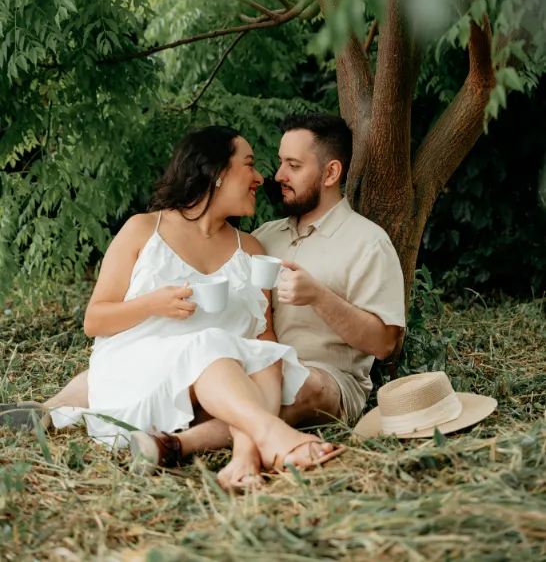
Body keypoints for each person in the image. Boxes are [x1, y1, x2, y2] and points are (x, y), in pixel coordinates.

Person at [4, 113, 405, 486]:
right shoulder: (266, 234)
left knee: (244, 356)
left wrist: (318, 297)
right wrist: (154, 305)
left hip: (287, 373)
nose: (270, 176)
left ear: (331, 172)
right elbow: (100, 320)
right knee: (221, 353)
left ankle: (178, 443)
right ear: (215, 174)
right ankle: (267, 437)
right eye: (258, 163)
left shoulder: (348, 243)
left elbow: (369, 344)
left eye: (292, 166)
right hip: (206, 367)